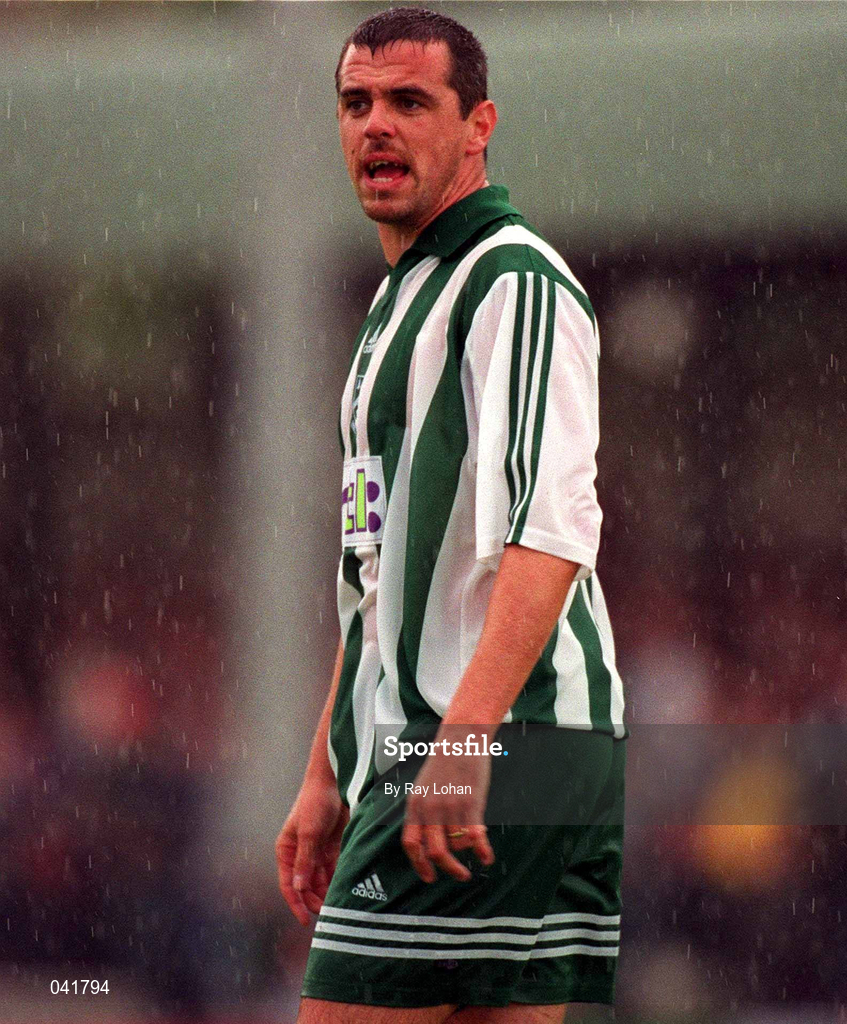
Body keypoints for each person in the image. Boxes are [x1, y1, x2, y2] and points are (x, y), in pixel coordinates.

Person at [276, 8, 626, 1022]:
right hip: (477, 744)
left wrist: (464, 743)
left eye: (407, 101)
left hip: (493, 738)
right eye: (355, 103)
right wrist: (326, 772)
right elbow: (372, 573)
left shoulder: (511, 282)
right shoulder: (394, 310)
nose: (374, 125)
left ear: (479, 125)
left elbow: (552, 527)